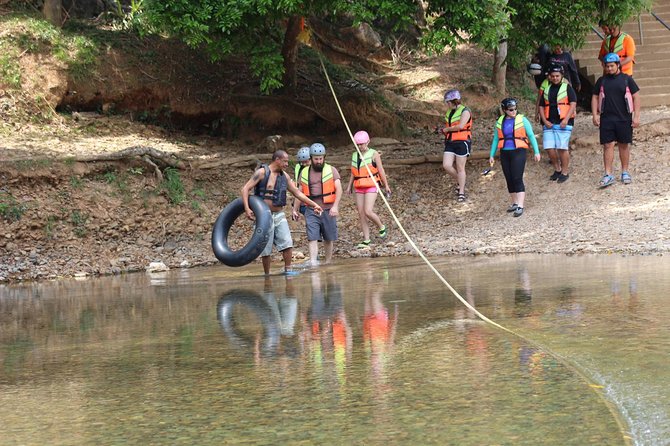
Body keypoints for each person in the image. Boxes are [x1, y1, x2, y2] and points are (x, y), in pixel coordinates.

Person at [241, 149, 323, 275]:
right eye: (284, 161)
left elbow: (297, 193)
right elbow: (245, 189)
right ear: (277, 160)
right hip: (263, 217)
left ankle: (288, 270)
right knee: (265, 248)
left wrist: (314, 205)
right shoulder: (262, 173)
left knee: (287, 243)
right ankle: (267, 275)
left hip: (279, 214)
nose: (286, 164)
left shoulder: (284, 176)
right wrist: (247, 208)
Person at [591, 52, 641, 188]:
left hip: (624, 118)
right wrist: (595, 115)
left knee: (624, 145)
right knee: (607, 145)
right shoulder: (602, 81)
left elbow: (636, 96)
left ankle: (625, 172)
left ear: (618, 65)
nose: (609, 69)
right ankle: (608, 174)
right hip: (606, 118)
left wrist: (636, 116)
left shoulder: (627, 79)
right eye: (607, 66)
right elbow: (595, 97)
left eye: (612, 66)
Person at [489, 98, 541, 217]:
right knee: (509, 178)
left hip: (518, 152)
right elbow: (496, 139)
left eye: (515, 109)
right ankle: (514, 202)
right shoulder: (500, 121)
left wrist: (536, 152)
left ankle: (520, 205)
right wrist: (491, 154)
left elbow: (531, 136)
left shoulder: (522, 120)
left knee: (517, 177)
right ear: (504, 110)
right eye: (510, 110)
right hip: (505, 153)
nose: (513, 111)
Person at [293, 143, 342, 266]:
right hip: (311, 209)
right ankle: (313, 262)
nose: (319, 161)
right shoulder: (304, 172)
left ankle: (328, 262)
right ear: (311, 158)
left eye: (321, 158)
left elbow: (339, 189)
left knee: (328, 238)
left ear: (324, 157)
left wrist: (335, 206)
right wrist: (295, 209)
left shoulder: (332, 170)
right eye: (316, 159)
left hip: (328, 208)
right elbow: (300, 192)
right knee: (312, 237)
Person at [346, 130, 391, 248]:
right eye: (358, 144)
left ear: (367, 142)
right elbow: (353, 171)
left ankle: (381, 226)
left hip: (371, 184)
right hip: (359, 185)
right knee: (361, 213)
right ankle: (366, 239)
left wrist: (386, 185)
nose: (360, 146)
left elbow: (381, 170)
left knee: (368, 211)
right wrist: (349, 185)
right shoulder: (354, 155)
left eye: (362, 144)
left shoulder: (374, 154)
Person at [536, 64, 577, 183]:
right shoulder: (547, 89)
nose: (555, 78)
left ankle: (564, 172)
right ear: (549, 77)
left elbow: (573, 103)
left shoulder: (567, 87)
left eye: (557, 76)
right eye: (553, 76)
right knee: (549, 148)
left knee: (562, 148)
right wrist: (544, 120)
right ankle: (557, 169)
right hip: (549, 122)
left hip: (564, 122)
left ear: (561, 76)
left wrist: (566, 119)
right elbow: (541, 106)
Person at [440, 89, 472, 202]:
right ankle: (460, 180)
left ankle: (461, 191)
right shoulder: (450, 112)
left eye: (448, 102)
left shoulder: (465, 111)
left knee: (460, 167)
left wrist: (447, 129)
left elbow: (461, 126)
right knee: (446, 165)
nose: (447, 104)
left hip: (462, 142)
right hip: (450, 141)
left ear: (453, 101)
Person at [291, 146, 311, 218]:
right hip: (302, 199)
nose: (304, 164)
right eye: (302, 162)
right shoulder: (299, 168)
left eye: (306, 162)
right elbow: (298, 186)